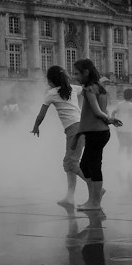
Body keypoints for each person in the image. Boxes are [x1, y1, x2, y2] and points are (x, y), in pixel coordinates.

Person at [31, 65, 84, 208]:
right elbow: (87, 90)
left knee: (71, 163)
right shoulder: (73, 88)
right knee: (69, 164)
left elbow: (41, 114)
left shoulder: (51, 93)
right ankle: (70, 197)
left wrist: (36, 127)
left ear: (50, 80)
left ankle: (95, 185)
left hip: (74, 129)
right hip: (79, 127)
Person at [73, 59, 121, 212]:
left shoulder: (88, 89)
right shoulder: (100, 88)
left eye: (77, 73)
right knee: (86, 166)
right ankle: (95, 196)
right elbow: (103, 109)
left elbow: (97, 111)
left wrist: (110, 119)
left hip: (96, 131)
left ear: (86, 72)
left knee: (92, 167)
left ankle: (95, 202)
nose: (75, 77)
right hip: (99, 131)